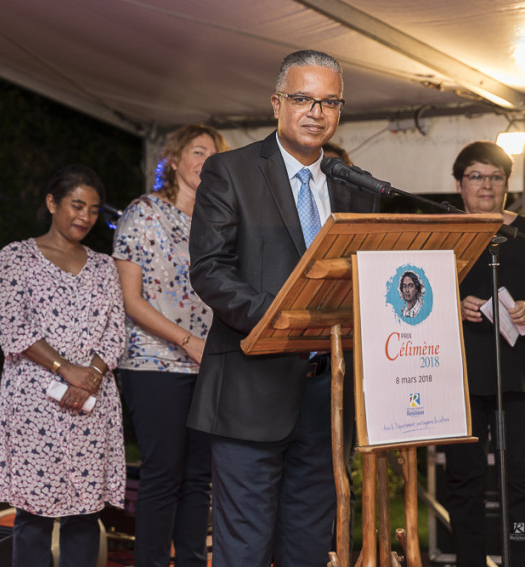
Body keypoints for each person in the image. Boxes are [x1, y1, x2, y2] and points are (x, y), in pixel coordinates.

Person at [188, 50, 380, 566]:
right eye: (302, 99)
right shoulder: (231, 171)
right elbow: (210, 269)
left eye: (329, 102)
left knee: (306, 549)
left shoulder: (353, 185)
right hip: (252, 389)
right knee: (244, 550)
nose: (316, 112)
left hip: (327, 396)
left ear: (339, 111)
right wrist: (284, 317)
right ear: (277, 103)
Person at [446, 141, 525, 566]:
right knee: (463, 482)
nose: (486, 185)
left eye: (495, 177)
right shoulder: (441, 232)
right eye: (476, 176)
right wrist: (453, 303)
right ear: (459, 184)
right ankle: (469, 560)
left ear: (507, 184)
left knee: (524, 484)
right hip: (459, 382)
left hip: (520, 381)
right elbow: (412, 302)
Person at [0, 164, 126, 566]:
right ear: (52, 203)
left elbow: (115, 333)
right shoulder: (16, 256)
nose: (85, 217)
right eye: (76, 205)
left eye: (94, 210)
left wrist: (92, 378)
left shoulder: (104, 266)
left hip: (91, 402)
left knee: (84, 514)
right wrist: (68, 370)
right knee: (33, 516)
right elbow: (13, 328)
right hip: (35, 402)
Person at [112, 124, 228, 566]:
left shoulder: (219, 220)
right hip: (153, 363)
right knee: (163, 475)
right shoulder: (143, 213)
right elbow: (129, 298)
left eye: (213, 155)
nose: (206, 161)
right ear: (174, 159)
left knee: (199, 478)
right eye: (198, 151)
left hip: (208, 364)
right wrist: (186, 340)